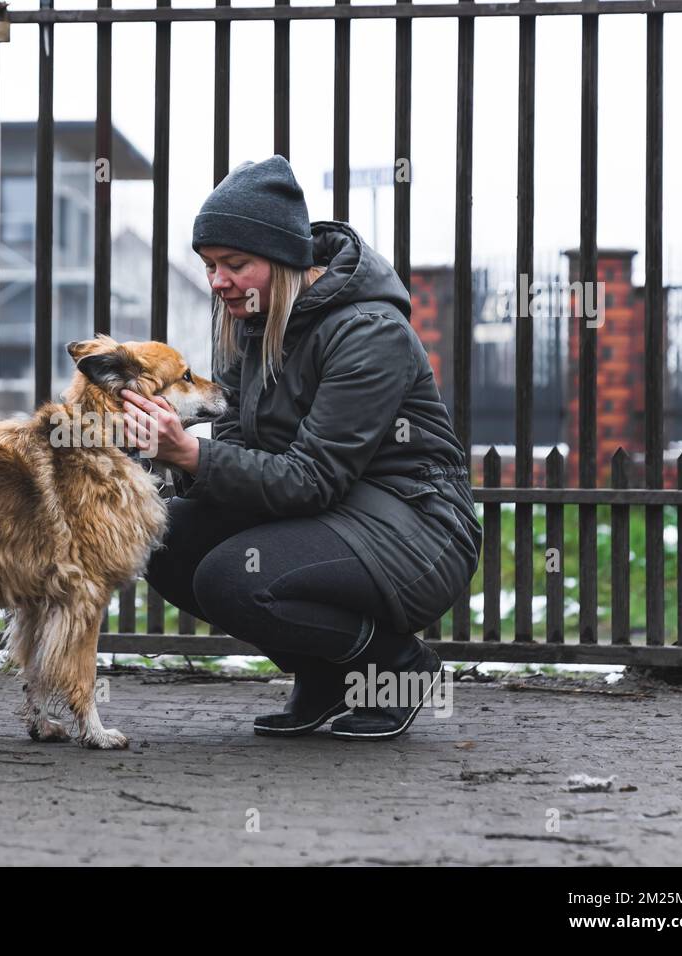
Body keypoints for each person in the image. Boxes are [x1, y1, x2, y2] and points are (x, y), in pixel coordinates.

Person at [121, 154, 482, 740]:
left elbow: (313, 477)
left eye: (235, 264)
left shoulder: (368, 332)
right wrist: (176, 458)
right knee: (163, 539)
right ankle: (325, 677)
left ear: (286, 259)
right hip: (333, 515)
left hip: (416, 527)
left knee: (233, 578)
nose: (218, 282)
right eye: (211, 265)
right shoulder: (249, 326)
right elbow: (238, 441)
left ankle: (401, 668)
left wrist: (188, 454)